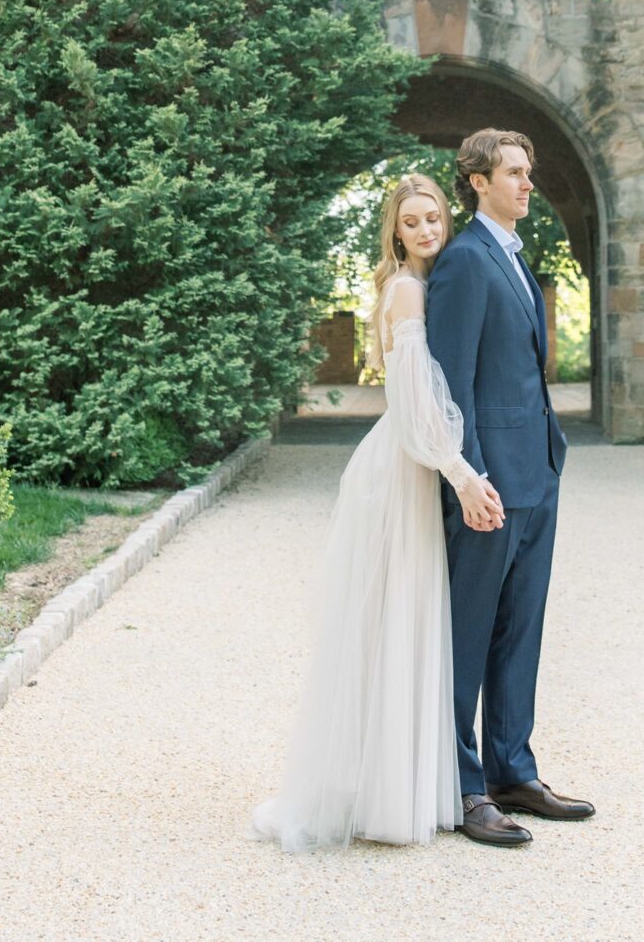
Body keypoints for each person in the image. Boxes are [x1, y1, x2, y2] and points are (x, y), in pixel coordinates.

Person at [254, 172, 504, 848]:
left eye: (435, 218)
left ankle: (402, 783)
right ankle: (384, 796)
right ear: (395, 230)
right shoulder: (405, 288)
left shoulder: (421, 285)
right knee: (395, 616)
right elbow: (417, 400)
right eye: (413, 221)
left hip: (407, 462)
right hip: (405, 467)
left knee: (406, 618)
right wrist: (462, 475)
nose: (427, 230)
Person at [423, 128, 595, 846]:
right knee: (468, 636)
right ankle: (464, 788)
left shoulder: (513, 257)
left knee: (520, 632)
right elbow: (452, 383)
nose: (529, 184)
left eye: (530, 173)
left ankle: (511, 769)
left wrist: (548, 459)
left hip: (538, 474)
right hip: (490, 486)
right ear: (477, 181)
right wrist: (471, 478)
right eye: (516, 174)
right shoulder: (464, 262)